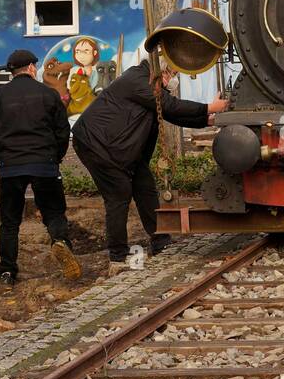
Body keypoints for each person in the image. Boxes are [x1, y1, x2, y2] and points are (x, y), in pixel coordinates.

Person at [72, 56, 227, 274]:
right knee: (119, 195)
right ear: (161, 71)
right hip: (98, 146)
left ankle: (160, 242)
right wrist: (210, 106)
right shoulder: (137, 79)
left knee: (145, 188)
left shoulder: (147, 82)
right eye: (172, 74)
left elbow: (170, 112)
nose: (173, 80)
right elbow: (169, 105)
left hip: (122, 150)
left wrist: (206, 119)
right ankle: (118, 257)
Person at [0, 49, 81, 287]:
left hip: (11, 168)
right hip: (44, 165)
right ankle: (60, 242)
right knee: (54, 213)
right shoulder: (49, 95)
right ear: (30, 68)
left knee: (10, 222)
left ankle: (7, 271)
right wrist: (55, 158)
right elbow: (62, 132)